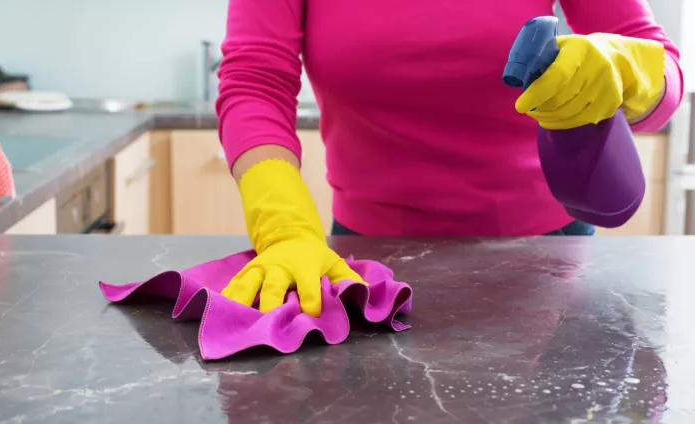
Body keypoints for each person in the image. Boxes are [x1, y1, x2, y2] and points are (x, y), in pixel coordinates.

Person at [215, 0, 684, 316]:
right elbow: (255, 82)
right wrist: (283, 228)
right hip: (369, 259)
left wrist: (627, 67)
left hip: (550, 253)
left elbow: (662, 65)